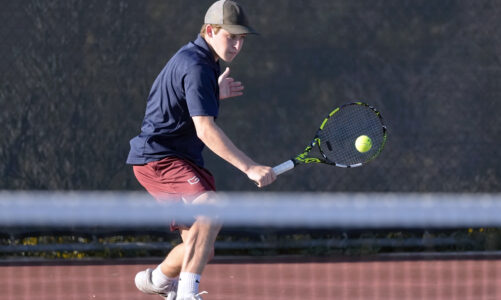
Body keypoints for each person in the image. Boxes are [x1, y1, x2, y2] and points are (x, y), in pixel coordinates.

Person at [126, 1, 276, 299]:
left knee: (201, 247)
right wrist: (249, 167)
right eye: (230, 36)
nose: (236, 45)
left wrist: (212, 93)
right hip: (160, 159)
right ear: (210, 30)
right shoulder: (196, 65)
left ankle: (155, 280)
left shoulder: (201, 61)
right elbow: (205, 129)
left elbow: (181, 100)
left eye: (241, 39)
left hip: (175, 159)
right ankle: (186, 294)